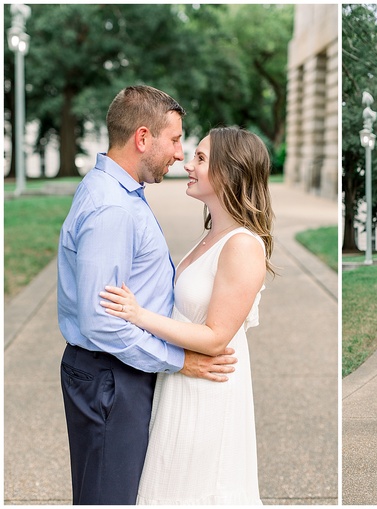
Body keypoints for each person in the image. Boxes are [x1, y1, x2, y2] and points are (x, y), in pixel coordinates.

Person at [57, 85, 238, 505]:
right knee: (110, 497)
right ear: (142, 138)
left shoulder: (115, 191)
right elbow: (102, 322)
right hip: (112, 377)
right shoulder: (113, 209)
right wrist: (180, 361)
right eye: (174, 140)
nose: (179, 153)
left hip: (116, 372)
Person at [99, 125, 274, 504]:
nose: (187, 164)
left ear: (229, 171)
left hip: (207, 392)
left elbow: (215, 337)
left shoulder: (242, 245)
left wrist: (137, 314)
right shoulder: (211, 235)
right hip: (180, 380)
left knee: (196, 491)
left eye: (200, 158)